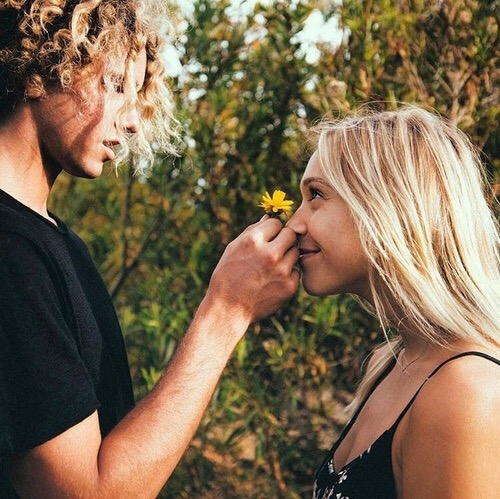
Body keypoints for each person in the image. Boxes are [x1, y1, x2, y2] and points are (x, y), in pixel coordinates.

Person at [0, 0, 299, 496]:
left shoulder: (54, 243)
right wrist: (227, 311)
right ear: (46, 65)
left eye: (137, 94)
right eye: (116, 84)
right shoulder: (11, 256)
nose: (134, 121)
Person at [286, 106, 500, 498]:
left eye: (315, 195)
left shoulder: (463, 392)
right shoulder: (391, 361)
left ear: (387, 207)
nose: (294, 224)